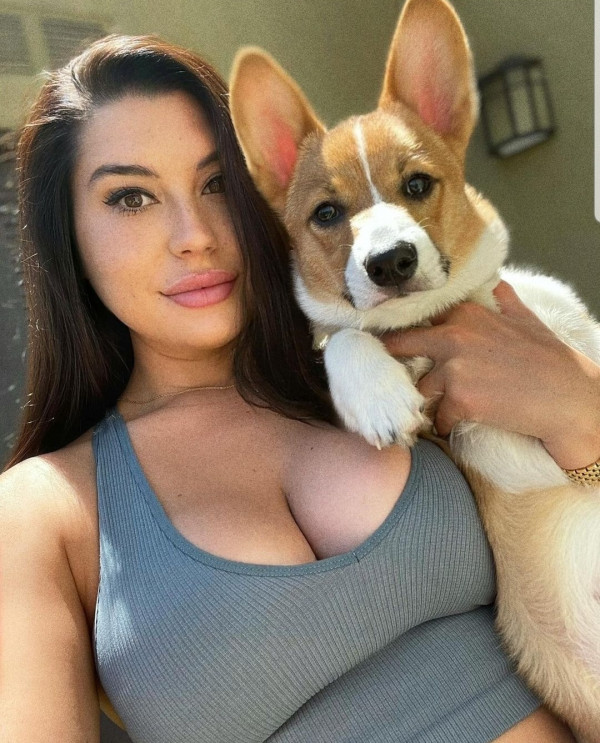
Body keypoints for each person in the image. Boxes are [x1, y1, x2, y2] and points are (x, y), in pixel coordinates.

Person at [1, 33, 597, 743]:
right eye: (131, 197)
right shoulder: (43, 509)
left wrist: (585, 414)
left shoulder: (394, 363)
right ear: (67, 237)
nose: (194, 235)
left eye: (218, 183)